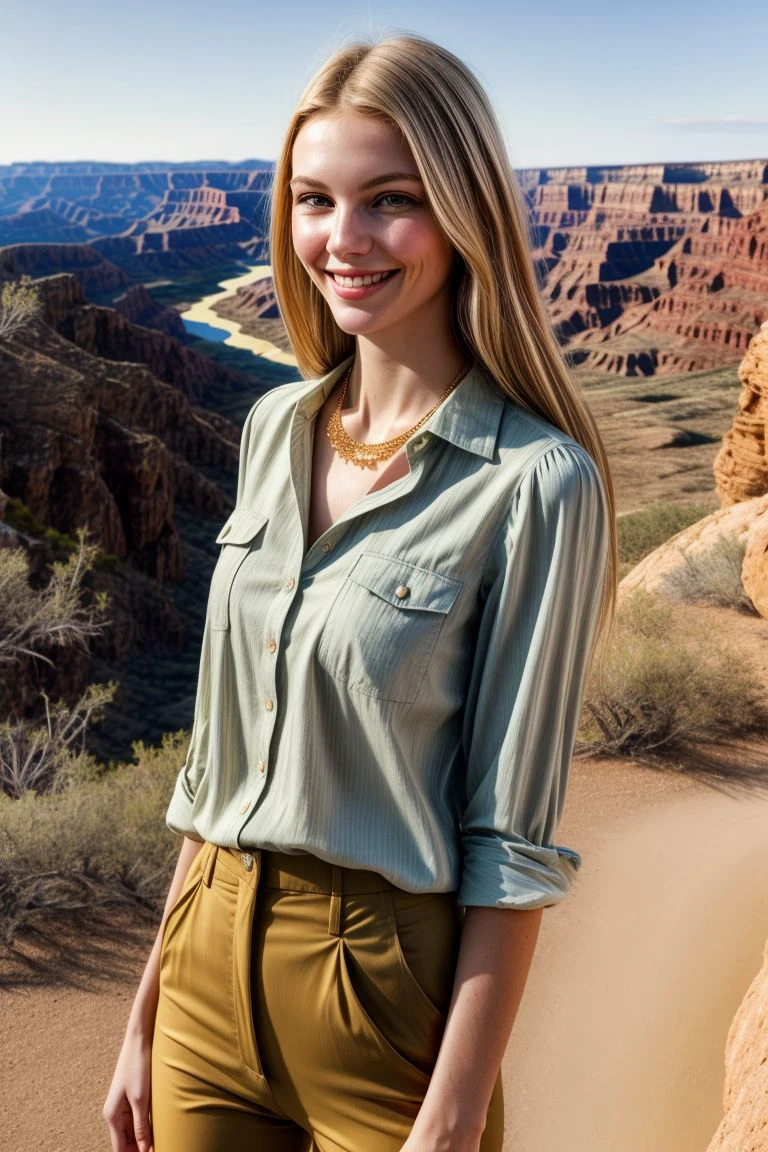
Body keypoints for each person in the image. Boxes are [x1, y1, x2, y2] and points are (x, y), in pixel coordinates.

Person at [103, 29, 617, 1152]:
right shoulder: (272, 427)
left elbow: (511, 841)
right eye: (313, 200)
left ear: (464, 211)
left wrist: (452, 1116)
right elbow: (215, 761)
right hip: (201, 973)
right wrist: (145, 1013)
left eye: (390, 199)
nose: (344, 241)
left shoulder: (537, 485)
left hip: (382, 1001)